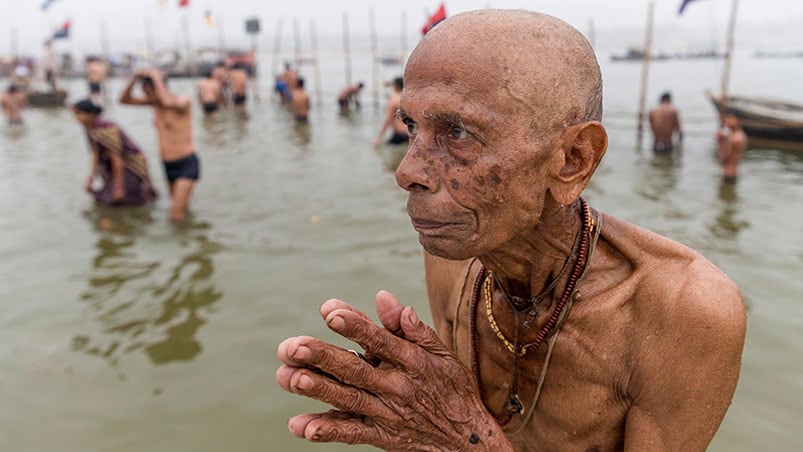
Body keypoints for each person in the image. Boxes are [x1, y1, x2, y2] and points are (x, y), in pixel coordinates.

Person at [276, 10, 746, 451]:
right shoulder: (454, 251)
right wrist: (415, 408)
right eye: (412, 126)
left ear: (572, 161)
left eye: (457, 132)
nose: (407, 171)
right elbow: (450, 412)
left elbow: (460, 426)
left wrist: (464, 436)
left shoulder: (681, 312)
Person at [119, 68, 199, 222]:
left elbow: (168, 102)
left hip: (186, 162)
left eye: (149, 92)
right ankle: (187, 235)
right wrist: (134, 78)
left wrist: (156, 77)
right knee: (181, 208)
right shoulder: (154, 104)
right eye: (145, 93)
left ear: (159, 87)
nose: (147, 96)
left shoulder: (182, 101)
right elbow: (123, 100)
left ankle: (179, 241)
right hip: (168, 164)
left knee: (174, 215)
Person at [71, 99, 157, 206]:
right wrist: (91, 178)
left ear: (90, 114)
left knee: (125, 199)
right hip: (111, 166)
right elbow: (95, 153)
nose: (76, 118)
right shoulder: (89, 128)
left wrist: (119, 188)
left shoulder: (105, 128)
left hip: (129, 164)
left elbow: (117, 158)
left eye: (78, 114)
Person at [372, 76, 407, 148]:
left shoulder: (393, 100)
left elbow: (387, 120)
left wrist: (379, 137)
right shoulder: (408, 98)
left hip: (399, 134)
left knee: (384, 150)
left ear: (395, 86)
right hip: (410, 133)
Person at [716, 110, 747, 184]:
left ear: (738, 121)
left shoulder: (734, 139)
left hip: (728, 175)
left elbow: (723, 160)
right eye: (726, 117)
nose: (727, 120)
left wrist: (721, 142)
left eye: (730, 118)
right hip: (732, 173)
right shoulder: (740, 135)